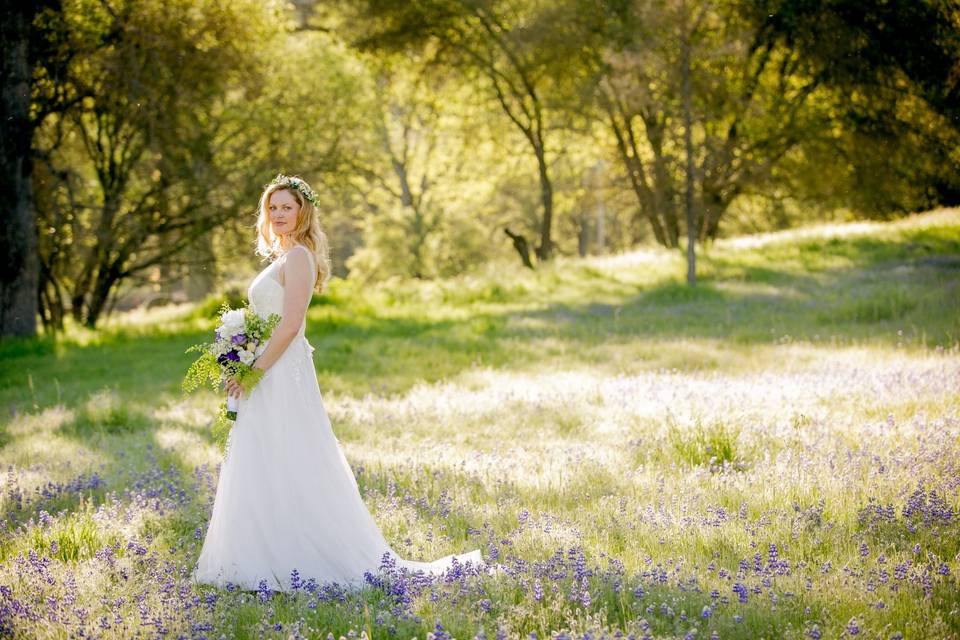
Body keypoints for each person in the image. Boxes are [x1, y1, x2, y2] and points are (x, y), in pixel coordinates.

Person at [192, 174, 483, 591]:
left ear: (303, 212)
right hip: (267, 368)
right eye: (272, 208)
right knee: (266, 456)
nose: (278, 214)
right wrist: (239, 353)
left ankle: (302, 556)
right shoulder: (284, 257)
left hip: (279, 373)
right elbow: (271, 324)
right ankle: (261, 553)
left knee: (292, 456)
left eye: (286, 207)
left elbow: (290, 326)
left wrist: (253, 371)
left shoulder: (298, 258)